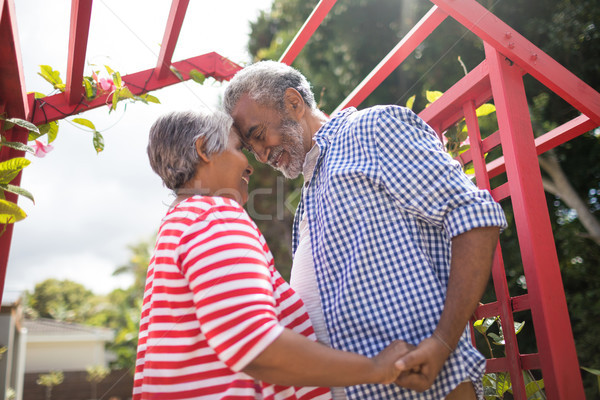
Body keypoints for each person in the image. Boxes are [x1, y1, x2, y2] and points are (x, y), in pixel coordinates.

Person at [223, 61, 507, 400]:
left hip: (425, 386)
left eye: (257, 135)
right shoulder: (307, 200)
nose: (260, 154)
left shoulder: (371, 127)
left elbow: (474, 215)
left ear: (293, 103)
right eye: (250, 147)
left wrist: (442, 343)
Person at [132, 110, 413, 400]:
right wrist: (377, 369)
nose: (250, 166)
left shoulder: (178, 226)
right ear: (204, 149)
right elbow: (256, 345)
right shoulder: (214, 217)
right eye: (239, 149)